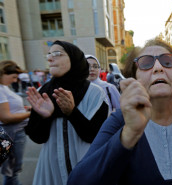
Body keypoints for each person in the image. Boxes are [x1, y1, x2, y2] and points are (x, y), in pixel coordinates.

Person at [68, 38, 172, 185]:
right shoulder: (121, 121)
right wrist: (128, 135)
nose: (158, 67)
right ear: (134, 80)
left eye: (167, 61)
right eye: (146, 63)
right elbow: (78, 181)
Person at [25, 40, 109, 185]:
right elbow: (37, 138)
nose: (50, 58)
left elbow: (97, 136)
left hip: (85, 167)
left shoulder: (94, 93)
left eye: (57, 54)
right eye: (49, 54)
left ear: (74, 58)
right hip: (52, 170)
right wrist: (45, 117)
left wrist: (72, 113)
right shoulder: (42, 92)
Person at [0, 60, 31, 185]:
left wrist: (24, 109)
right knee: (12, 171)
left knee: (12, 170)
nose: (14, 81)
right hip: (12, 133)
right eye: (13, 77)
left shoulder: (3, 87)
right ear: (3, 73)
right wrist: (31, 114)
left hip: (13, 132)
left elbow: (9, 108)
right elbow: (5, 117)